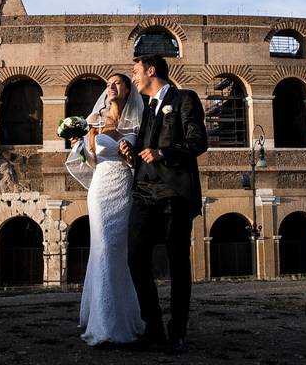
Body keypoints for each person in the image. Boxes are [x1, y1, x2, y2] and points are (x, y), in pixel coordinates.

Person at [120, 54, 207, 354]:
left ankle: (177, 332)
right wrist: (131, 150)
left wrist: (163, 153)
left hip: (175, 193)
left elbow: (199, 142)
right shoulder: (145, 108)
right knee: (135, 257)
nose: (133, 78)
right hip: (143, 192)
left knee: (178, 262)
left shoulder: (184, 99)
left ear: (151, 70)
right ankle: (153, 326)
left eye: (136, 71)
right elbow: (145, 144)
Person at [65, 73, 145, 346]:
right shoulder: (95, 120)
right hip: (100, 188)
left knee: (116, 249)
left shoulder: (139, 120)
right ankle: (102, 323)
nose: (111, 87)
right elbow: (89, 160)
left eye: (117, 83)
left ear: (128, 90)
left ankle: (123, 319)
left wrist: (130, 155)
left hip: (123, 185)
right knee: (102, 247)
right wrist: (76, 145)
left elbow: (140, 162)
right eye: (108, 84)